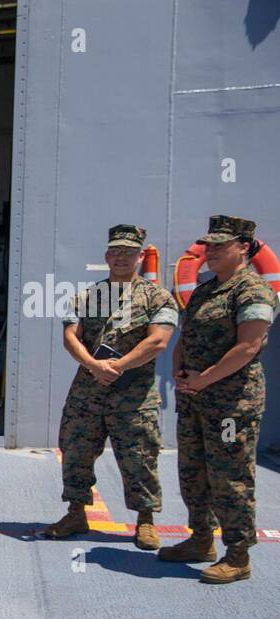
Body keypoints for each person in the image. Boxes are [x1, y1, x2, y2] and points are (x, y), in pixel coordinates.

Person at [42, 225, 178, 548]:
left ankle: (145, 521)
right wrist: (93, 365)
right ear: (106, 255)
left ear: (141, 256)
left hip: (134, 397)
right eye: (115, 251)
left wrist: (116, 366)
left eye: (129, 252)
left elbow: (158, 341)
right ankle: (76, 512)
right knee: (75, 451)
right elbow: (70, 336)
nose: (120, 257)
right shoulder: (87, 296)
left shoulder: (157, 298)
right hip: (87, 394)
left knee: (139, 458)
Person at [158, 214, 277, 583]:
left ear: (243, 248)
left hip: (230, 407)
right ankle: (200, 540)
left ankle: (238, 555)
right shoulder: (207, 290)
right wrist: (181, 373)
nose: (210, 252)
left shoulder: (252, 290)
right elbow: (185, 336)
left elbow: (248, 346)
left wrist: (203, 380)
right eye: (208, 245)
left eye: (219, 245)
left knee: (230, 476)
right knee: (194, 472)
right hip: (195, 400)